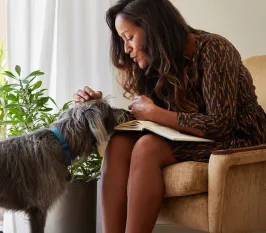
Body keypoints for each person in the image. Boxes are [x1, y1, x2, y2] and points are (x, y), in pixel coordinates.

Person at [73, 0, 266, 232]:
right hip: (190, 138)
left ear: (153, 28)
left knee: (148, 147)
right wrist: (97, 106)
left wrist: (156, 113)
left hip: (241, 140)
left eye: (129, 37)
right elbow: (144, 119)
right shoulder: (158, 62)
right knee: (119, 144)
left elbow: (220, 124)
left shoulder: (215, 49)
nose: (126, 49)